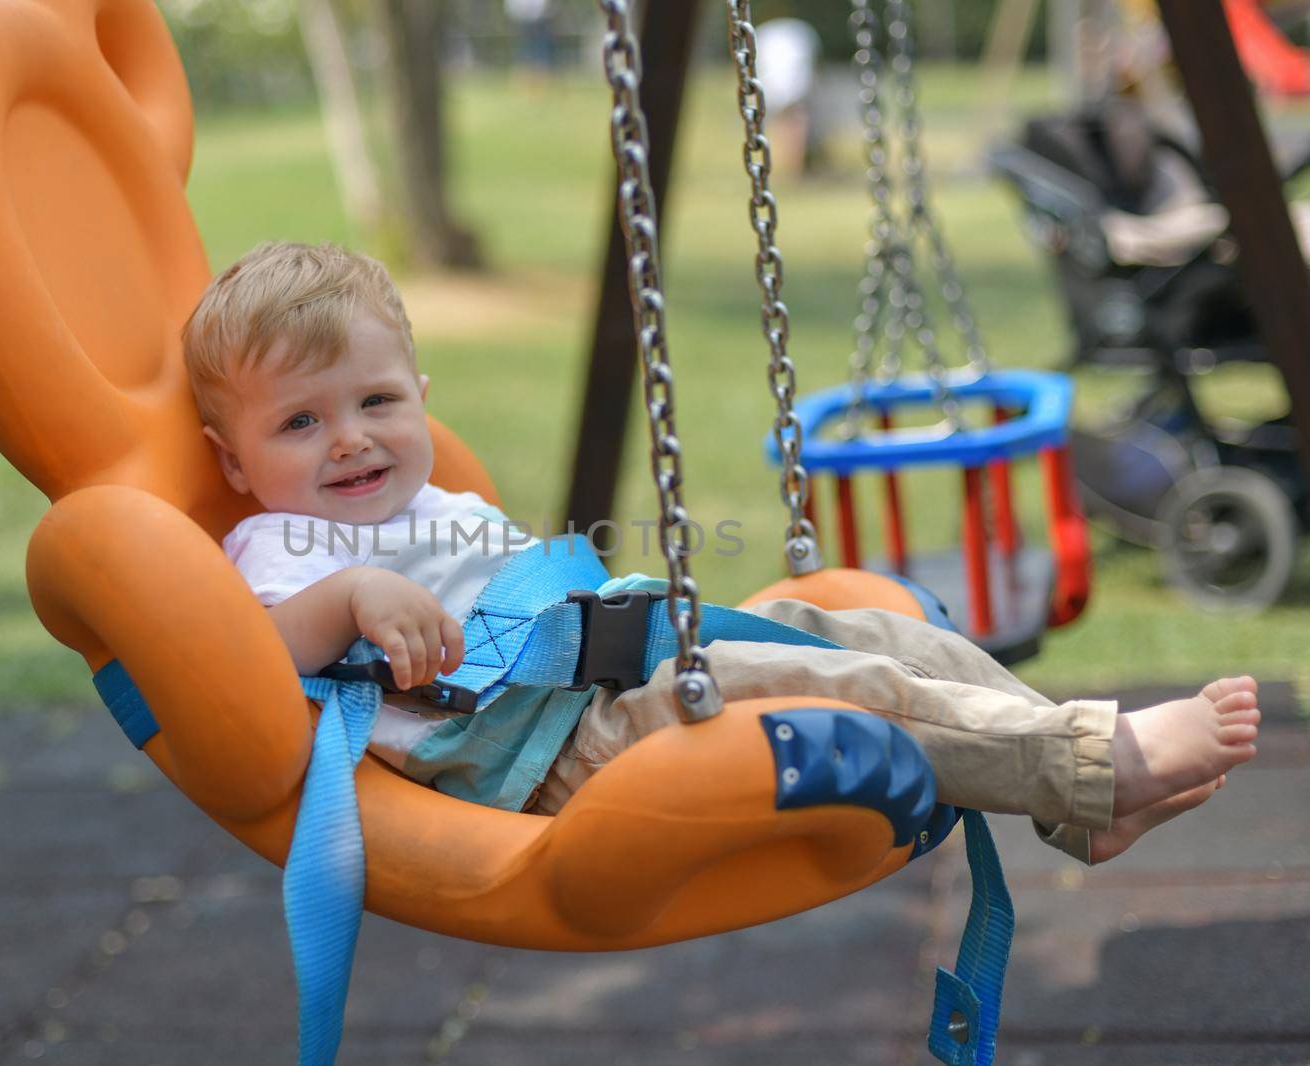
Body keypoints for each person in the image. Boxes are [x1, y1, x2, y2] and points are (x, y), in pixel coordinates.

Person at [182, 241, 1261, 867]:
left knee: (879, 632)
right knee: (831, 685)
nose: (352, 438)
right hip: (545, 751)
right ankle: (1091, 763)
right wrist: (353, 596)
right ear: (234, 463)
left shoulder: (439, 496)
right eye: (301, 424)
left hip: (621, 666)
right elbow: (261, 652)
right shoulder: (276, 543)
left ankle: (1072, 794)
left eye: (374, 401)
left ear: (420, 397)